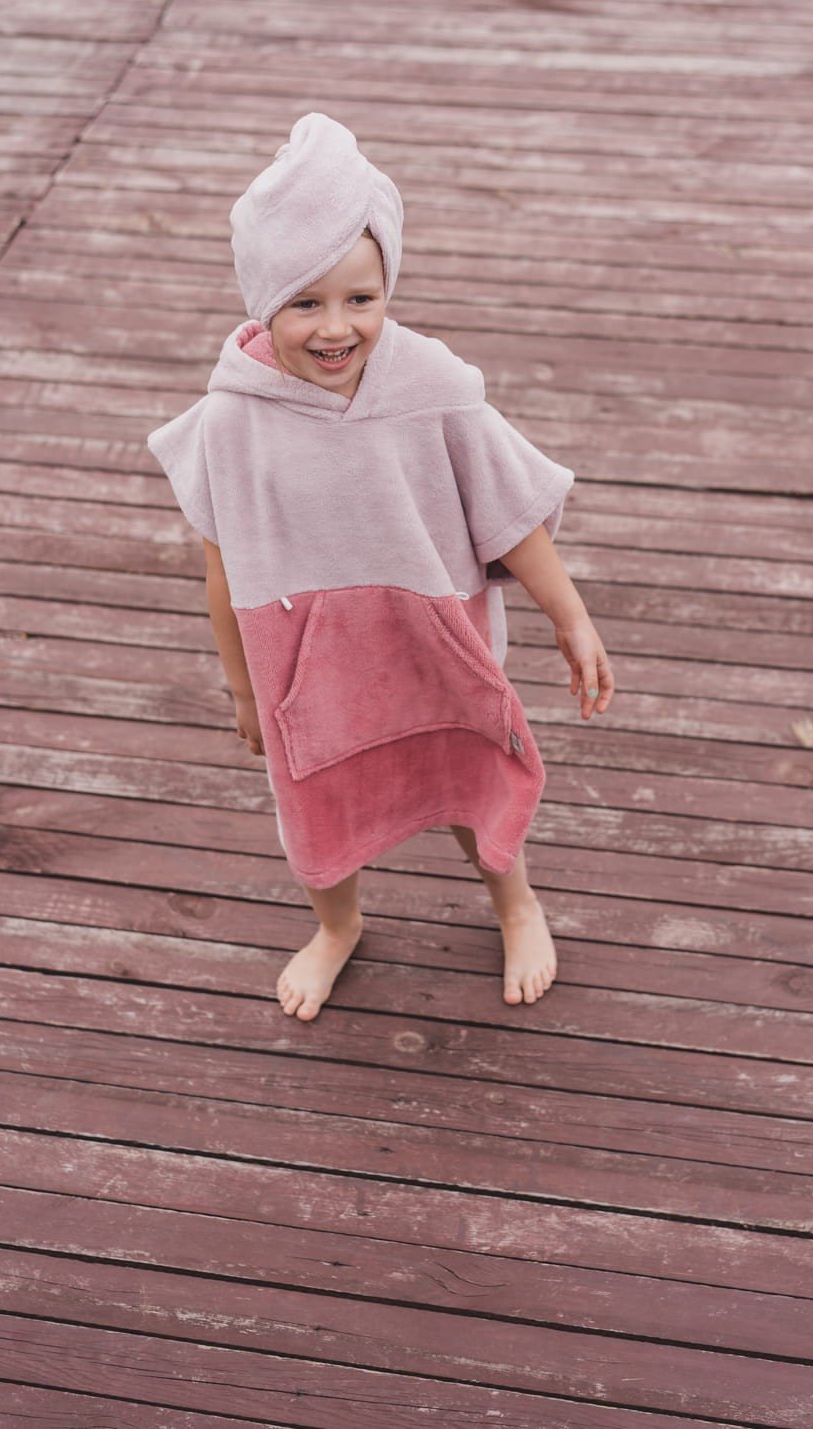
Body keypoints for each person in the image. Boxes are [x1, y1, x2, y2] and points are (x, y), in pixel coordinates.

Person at [147, 113, 615, 1023]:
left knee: (467, 772)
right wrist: (243, 689)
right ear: (261, 302)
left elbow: (512, 518)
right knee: (316, 806)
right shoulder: (232, 419)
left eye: (362, 299)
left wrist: (572, 617)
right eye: (305, 304)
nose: (336, 329)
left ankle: (516, 905)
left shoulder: (433, 389)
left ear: (388, 287)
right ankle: (337, 926)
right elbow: (220, 565)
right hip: (305, 663)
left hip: (429, 637)